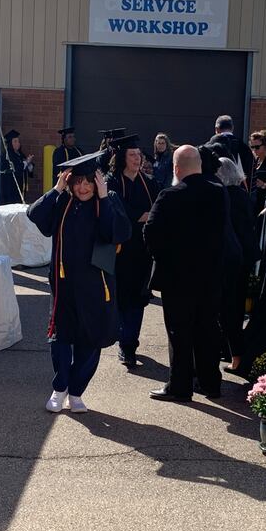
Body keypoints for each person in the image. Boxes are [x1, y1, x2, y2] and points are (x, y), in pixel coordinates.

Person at [27, 151, 131, 413]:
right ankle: (59, 387)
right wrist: (56, 189)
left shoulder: (108, 200)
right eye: (77, 182)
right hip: (64, 284)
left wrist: (104, 197)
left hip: (96, 285)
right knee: (61, 338)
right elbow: (35, 214)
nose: (83, 188)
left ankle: (76, 391)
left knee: (90, 339)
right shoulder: (63, 202)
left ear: (96, 182)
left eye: (87, 182)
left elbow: (117, 232)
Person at [143, 145, 228, 401]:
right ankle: (210, 383)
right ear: (199, 166)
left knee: (179, 332)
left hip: (177, 277)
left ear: (176, 168)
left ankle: (180, 386)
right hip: (210, 275)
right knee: (207, 328)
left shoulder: (169, 195)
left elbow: (151, 232)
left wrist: (163, 258)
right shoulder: (219, 193)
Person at [105, 134, 159, 367]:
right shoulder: (112, 182)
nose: (138, 159)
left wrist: (143, 216)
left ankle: (129, 345)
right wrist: (141, 215)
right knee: (120, 297)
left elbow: (157, 209)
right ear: (122, 158)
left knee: (137, 299)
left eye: (139, 155)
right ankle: (121, 336)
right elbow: (116, 210)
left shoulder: (150, 182)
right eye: (132, 155)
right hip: (118, 250)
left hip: (142, 250)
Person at [216, 158, 258, 372]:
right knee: (235, 308)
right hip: (244, 258)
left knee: (226, 309)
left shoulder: (224, 196)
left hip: (229, 259)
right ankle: (233, 354)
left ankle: (234, 355)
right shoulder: (242, 195)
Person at [210, 115, 253, 184]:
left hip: (217, 187)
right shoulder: (245, 148)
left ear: (216, 129)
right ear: (232, 128)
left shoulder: (210, 147)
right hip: (239, 187)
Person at [0, 130, 33, 204]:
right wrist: (26, 162)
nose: (18, 144)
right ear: (10, 143)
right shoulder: (8, 155)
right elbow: (17, 168)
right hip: (11, 187)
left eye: (18, 141)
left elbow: (26, 167)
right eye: (15, 141)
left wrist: (29, 165)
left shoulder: (20, 154)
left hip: (21, 186)